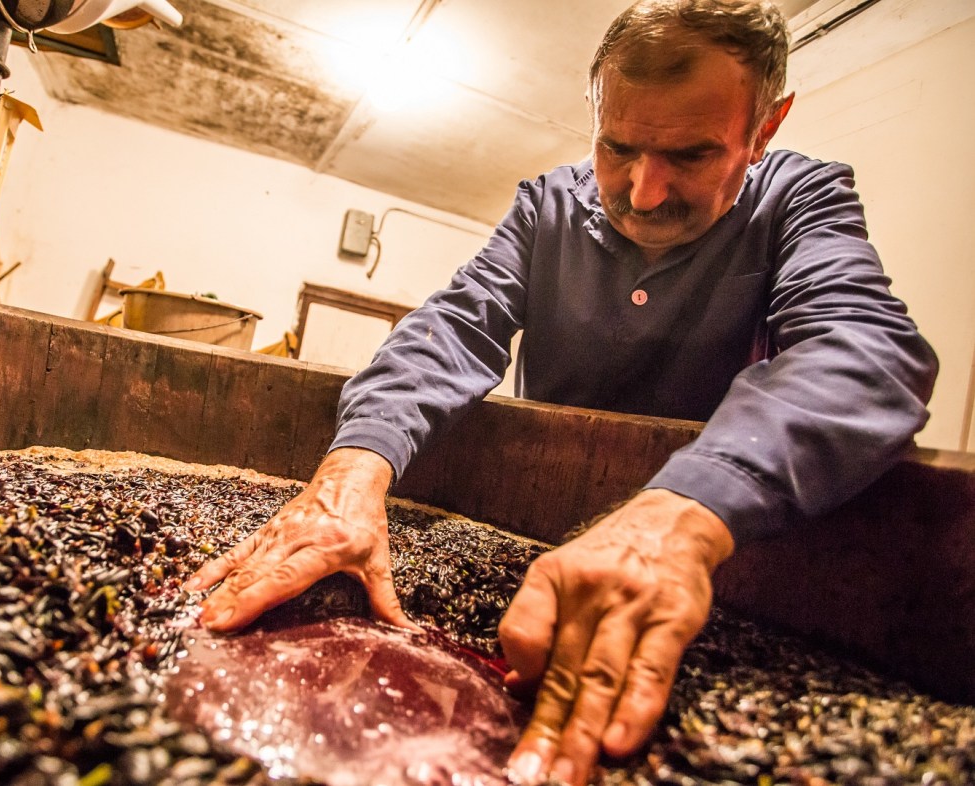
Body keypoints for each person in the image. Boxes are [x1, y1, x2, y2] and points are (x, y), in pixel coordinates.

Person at [186, 0, 939, 783]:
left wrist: (679, 520)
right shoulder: (546, 205)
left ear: (764, 128)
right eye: (617, 146)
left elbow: (865, 351)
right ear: (595, 108)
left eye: (690, 155)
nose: (644, 193)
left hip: (705, 554)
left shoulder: (802, 198)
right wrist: (353, 469)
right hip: (539, 539)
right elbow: (453, 328)